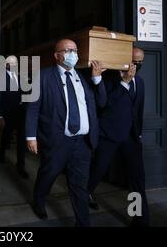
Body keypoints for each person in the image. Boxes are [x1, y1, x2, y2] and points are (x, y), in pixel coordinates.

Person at [26, 39, 106, 227]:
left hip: (83, 142)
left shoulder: (85, 77)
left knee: (79, 186)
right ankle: (39, 200)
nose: (73, 54)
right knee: (48, 174)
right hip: (57, 140)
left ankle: (82, 223)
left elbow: (101, 103)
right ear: (57, 55)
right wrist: (31, 136)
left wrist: (97, 79)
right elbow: (33, 108)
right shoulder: (43, 76)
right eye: (68, 50)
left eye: (75, 50)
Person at [88, 47, 150, 227]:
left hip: (131, 138)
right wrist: (124, 82)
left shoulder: (141, 82)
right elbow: (104, 106)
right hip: (109, 135)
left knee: (137, 180)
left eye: (140, 62)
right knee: (98, 170)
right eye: (134, 61)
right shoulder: (109, 79)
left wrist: (138, 132)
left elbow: (137, 110)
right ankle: (84, 194)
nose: (137, 65)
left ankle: (139, 220)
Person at [0, 55, 28, 178]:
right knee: (6, 134)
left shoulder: (21, 77)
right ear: (6, 65)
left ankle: (20, 166)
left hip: (20, 113)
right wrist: (0, 116)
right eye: (11, 64)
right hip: (7, 113)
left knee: (22, 140)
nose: (14, 66)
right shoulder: (0, 78)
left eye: (15, 63)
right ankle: (1, 154)